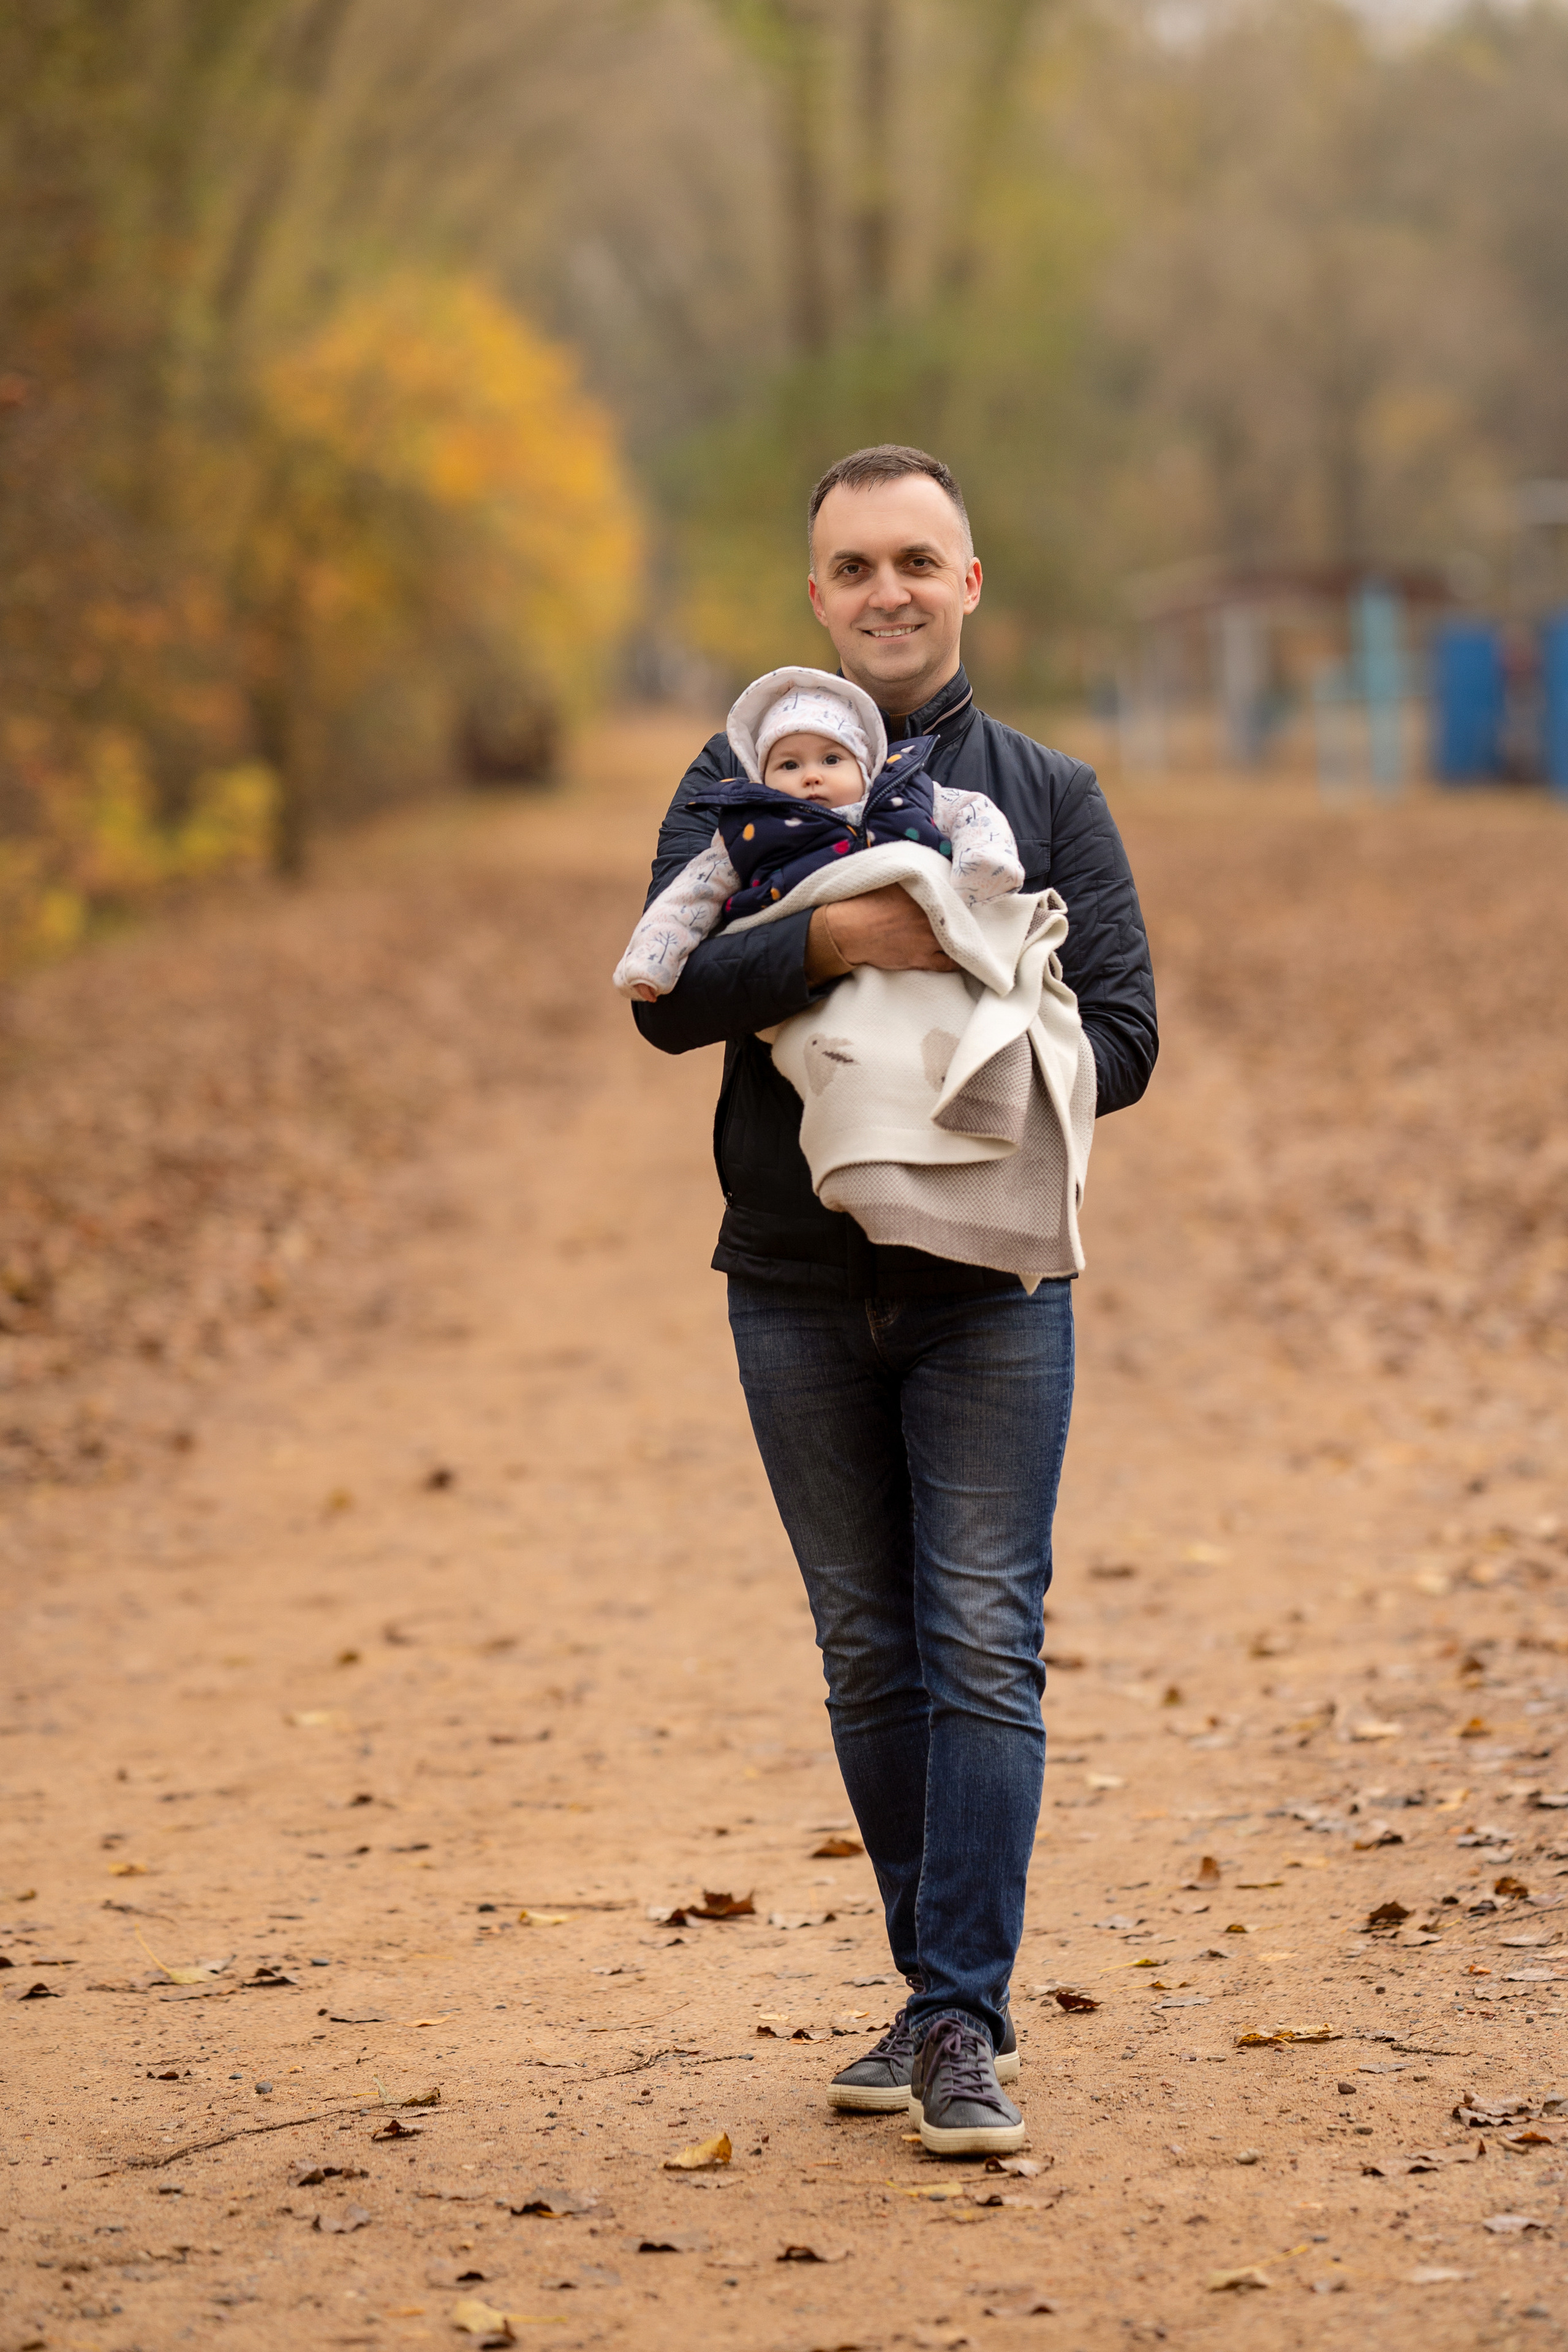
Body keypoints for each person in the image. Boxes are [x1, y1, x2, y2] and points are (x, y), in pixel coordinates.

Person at [630, 443, 1158, 2156]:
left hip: (993, 1283)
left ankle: (958, 2020)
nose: (888, 591)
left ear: (970, 581)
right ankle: (935, 1991)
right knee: (870, 1654)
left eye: (917, 561)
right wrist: (839, 946)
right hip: (789, 1283)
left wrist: (987, 1025)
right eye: (855, 567)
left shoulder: (1051, 791)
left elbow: (1134, 1039)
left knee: (982, 1645)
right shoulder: (734, 781)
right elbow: (667, 994)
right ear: (817, 598)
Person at [612, 667, 1022, 1001]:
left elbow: (970, 809)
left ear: (865, 768)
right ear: (762, 779)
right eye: (789, 766)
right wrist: (652, 958)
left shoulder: (905, 793)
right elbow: (692, 894)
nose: (811, 776)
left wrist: (986, 859)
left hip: (934, 979)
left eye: (831, 759)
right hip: (819, 998)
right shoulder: (750, 830)